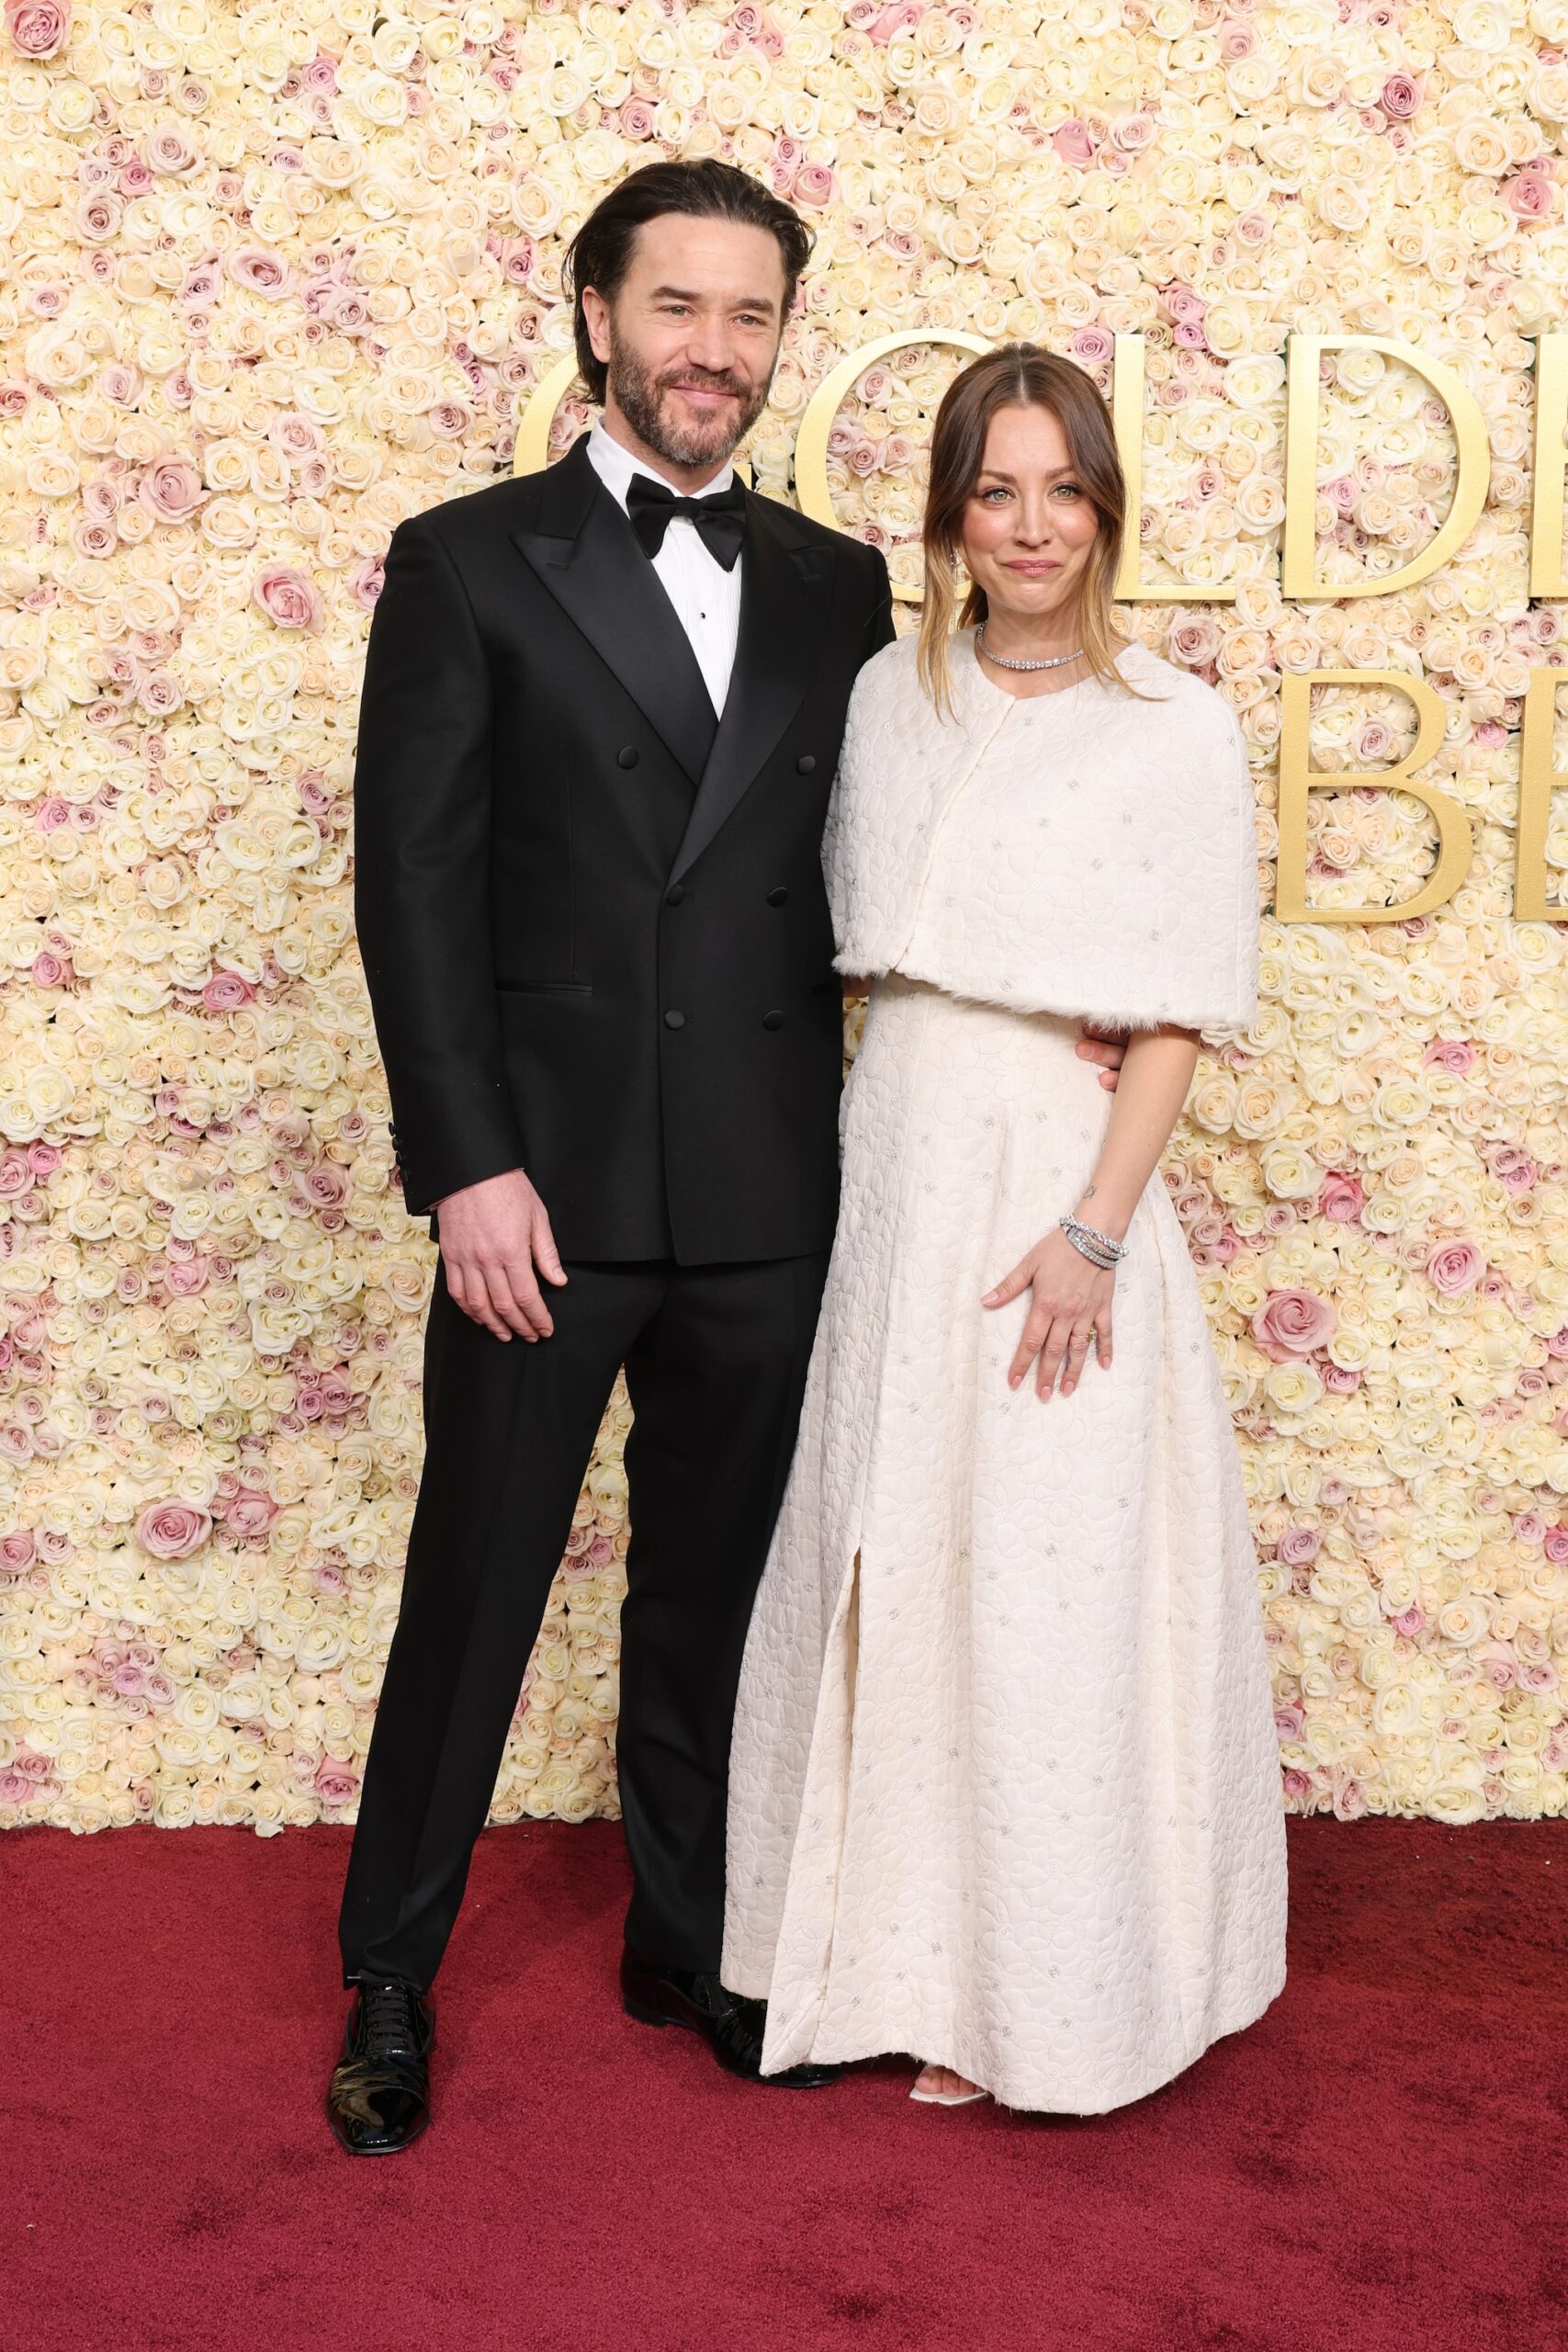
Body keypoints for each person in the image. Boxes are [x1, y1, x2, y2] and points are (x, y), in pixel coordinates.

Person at [328, 161, 1132, 2153]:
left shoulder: (830, 579)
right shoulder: (465, 559)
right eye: (674, 307)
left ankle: (682, 1933)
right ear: (597, 314)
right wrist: (466, 1164)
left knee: (717, 1592)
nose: (712, 350)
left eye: (749, 314)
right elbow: (410, 887)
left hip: (772, 1193)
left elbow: (868, 870)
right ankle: (391, 1972)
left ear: (782, 333)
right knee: (477, 1584)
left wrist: (1058, 991)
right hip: (547, 1191)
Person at [723, 345, 1289, 2113]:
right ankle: (876, 1958)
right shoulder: (894, 695)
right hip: (890, 1156)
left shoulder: (1176, 726)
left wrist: (1094, 1234)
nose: (1032, 526)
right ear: (951, 513)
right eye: (995, 490)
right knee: (891, 1545)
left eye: (1063, 488)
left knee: (1038, 1577)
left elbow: (1178, 1007)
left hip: (1054, 1182)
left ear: (1106, 505)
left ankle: (1041, 1996)